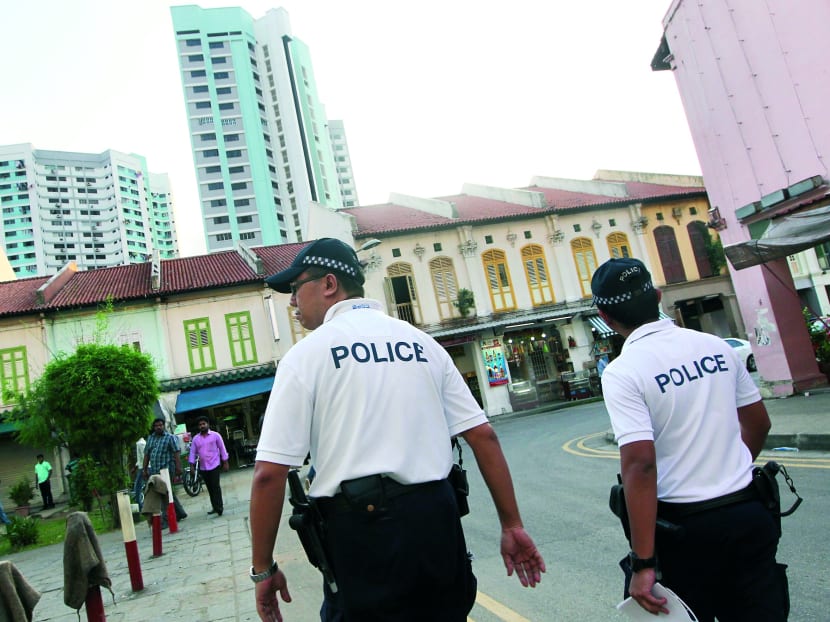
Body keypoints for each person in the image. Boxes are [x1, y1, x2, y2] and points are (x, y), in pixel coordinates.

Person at [250, 238, 545, 622]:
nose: (291, 302)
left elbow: (269, 475)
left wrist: (263, 569)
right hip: (438, 525)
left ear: (328, 284)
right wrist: (512, 524)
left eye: (294, 288)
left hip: (362, 540)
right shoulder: (422, 343)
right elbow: (483, 436)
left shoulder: (305, 357)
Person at [591, 257, 787, 621]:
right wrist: (725, 468)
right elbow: (759, 424)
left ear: (605, 316)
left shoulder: (622, 372)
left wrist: (644, 562)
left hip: (686, 533)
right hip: (748, 514)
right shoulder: (715, 347)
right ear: (659, 297)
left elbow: (641, 464)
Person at [142, 417, 187, 525]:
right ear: (153, 427)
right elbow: (147, 454)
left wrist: (178, 467)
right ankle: (180, 513)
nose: (158, 427)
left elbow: (176, 453)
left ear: (164, 426)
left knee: (164, 493)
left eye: (160, 425)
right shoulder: (151, 438)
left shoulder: (170, 437)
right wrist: (144, 469)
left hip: (167, 470)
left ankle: (166, 519)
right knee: (167, 492)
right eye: (156, 426)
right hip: (155, 470)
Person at [189, 415, 229, 516]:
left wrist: (225, 462)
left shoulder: (216, 435)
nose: (202, 426)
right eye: (200, 425)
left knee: (216, 486)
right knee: (210, 488)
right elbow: (192, 453)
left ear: (208, 424)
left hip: (214, 465)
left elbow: (222, 449)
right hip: (203, 467)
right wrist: (192, 466)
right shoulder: (195, 439)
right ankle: (214, 507)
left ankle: (219, 507)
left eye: (204, 424)